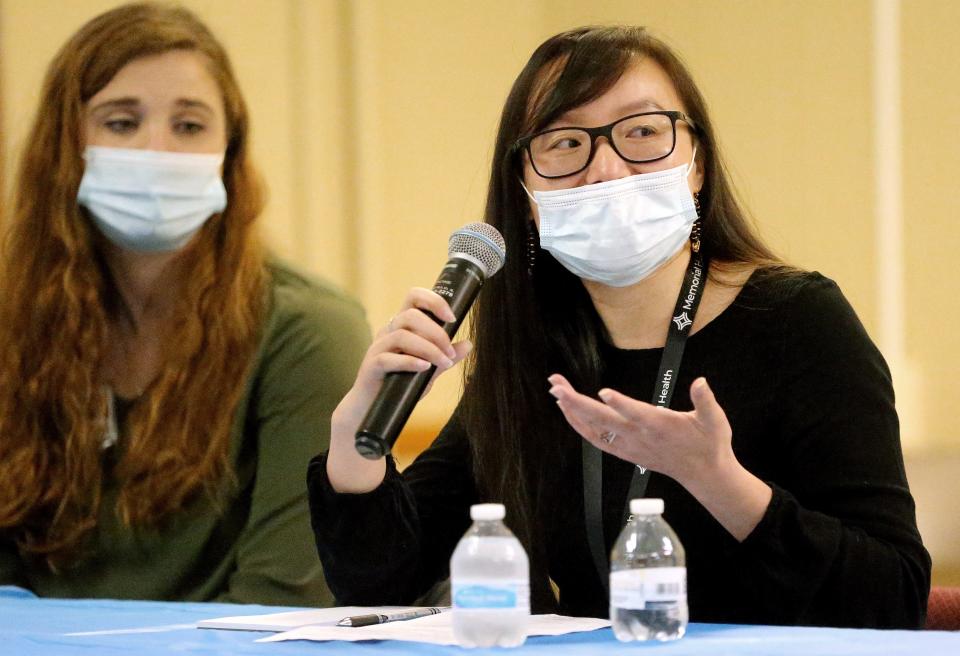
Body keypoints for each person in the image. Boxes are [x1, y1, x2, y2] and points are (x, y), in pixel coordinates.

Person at [308, 26, 931, 628]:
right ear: (525, 192)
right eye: (566, 143)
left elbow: (892, 597)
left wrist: (721, 482)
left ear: (698, 164)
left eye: (641, 132)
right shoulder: (535, 344)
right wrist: (353, 444)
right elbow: (382, 583)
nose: (606, 169)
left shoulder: (799, 320)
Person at [0, 2, 369, 606]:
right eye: (121, 123)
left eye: (190, 126)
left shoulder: (308, 328)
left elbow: (280, 598)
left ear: (230, 152)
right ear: (64, 146)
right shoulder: (15, 323)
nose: (158, 151)